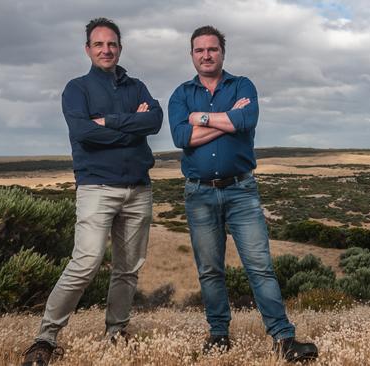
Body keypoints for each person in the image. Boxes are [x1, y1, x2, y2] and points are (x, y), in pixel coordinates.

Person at [168, 25, 318, 362]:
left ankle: (283, 338)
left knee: (260, 266)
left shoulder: (243, 85)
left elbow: (245, 121)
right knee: (210, 270)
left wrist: (201, 120)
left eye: (212, 49)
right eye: (199, 50)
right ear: (192, 55)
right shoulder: (180, 94)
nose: (206, 55)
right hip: (199, 194)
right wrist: (225, 121)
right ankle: (219, 335)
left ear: (223, 52)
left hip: (241, 191)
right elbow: (181, 137)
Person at [21, 17, 163, 366]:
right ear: (88, 49)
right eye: (99, 44)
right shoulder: (76, 88)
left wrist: (110, 121)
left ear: (120, 47)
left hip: (138, 188)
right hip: (97, 187)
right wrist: (132, 125)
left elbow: (155, 121)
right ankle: (45, 338)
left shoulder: (137, 86)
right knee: (84, 263)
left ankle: (117, 332)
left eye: (112, 44)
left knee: (128, 268)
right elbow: (85, 134)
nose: (106, 49)